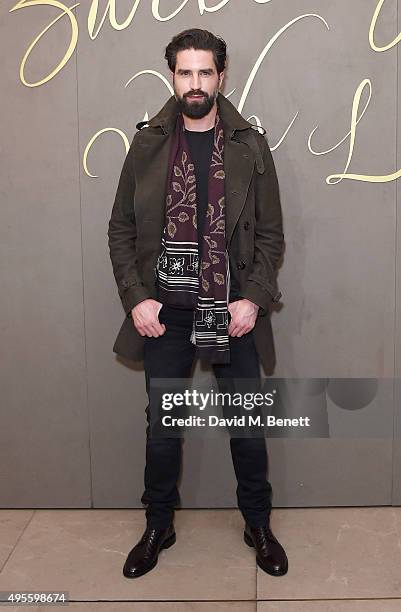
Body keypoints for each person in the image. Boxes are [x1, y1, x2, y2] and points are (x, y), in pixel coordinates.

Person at [107, 28, 287, 579]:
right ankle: (158, 524)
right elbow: (121, 228)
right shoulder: (147, 143)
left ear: (221, 76)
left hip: (229, 310)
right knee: (162, 429)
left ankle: (258, 522)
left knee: (246, 426)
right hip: (165, 312)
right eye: (185, 72)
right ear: (172, 77)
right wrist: (137, 299)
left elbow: (271, 237)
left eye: (205, 72)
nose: (195, 83)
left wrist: (253, 300)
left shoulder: (249, 146)